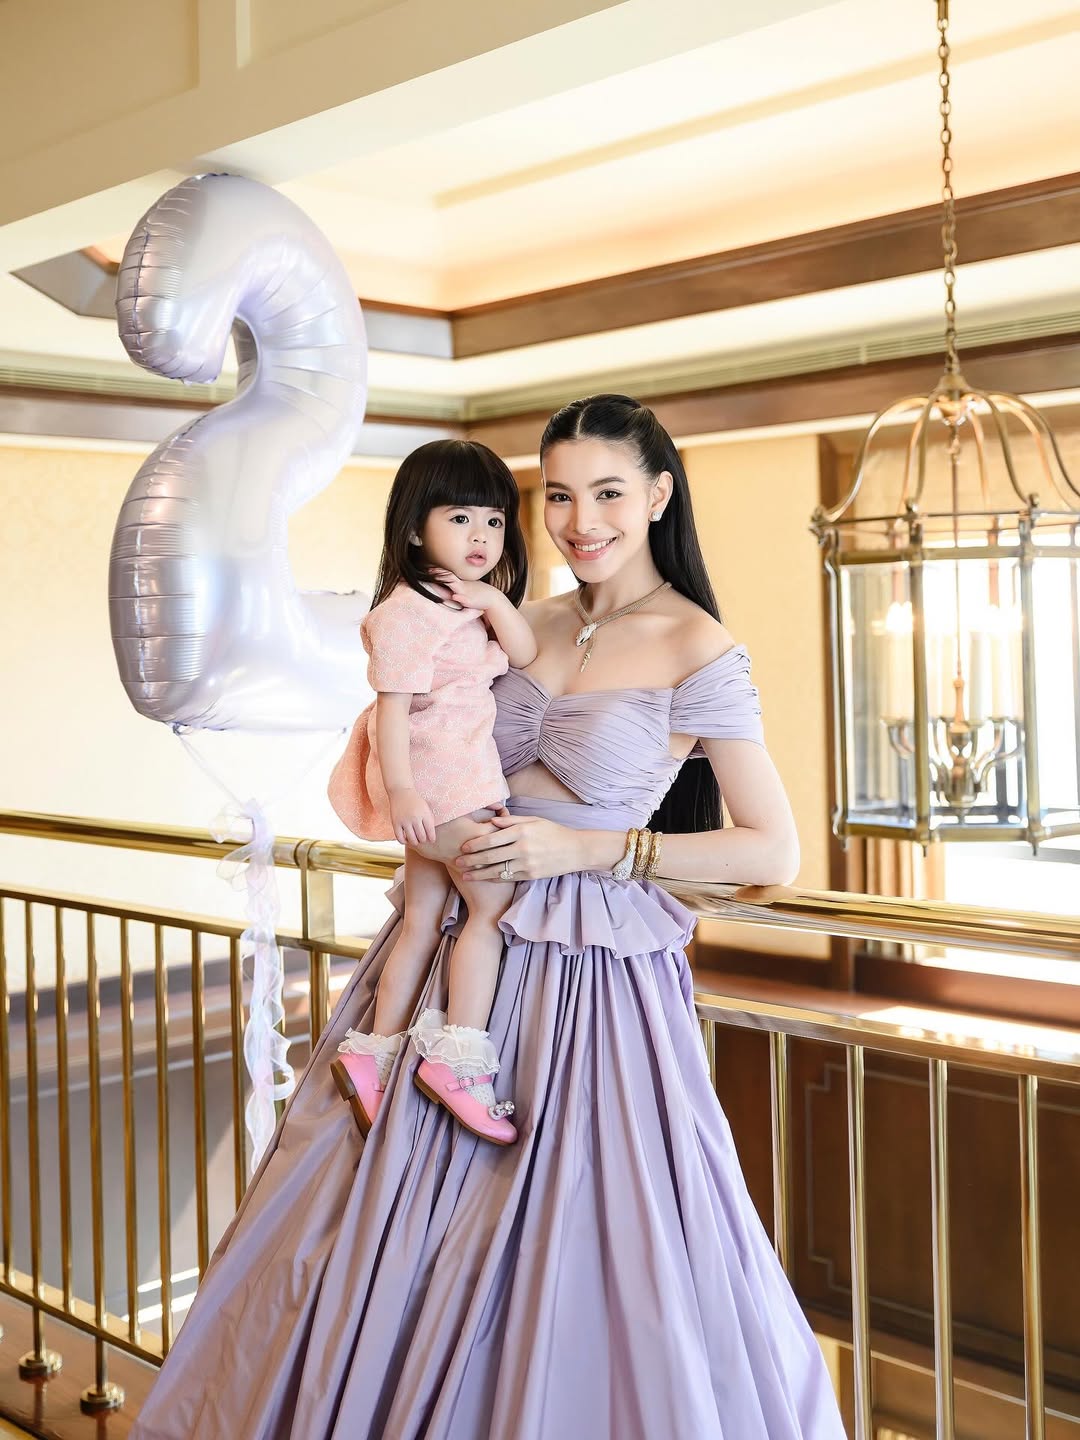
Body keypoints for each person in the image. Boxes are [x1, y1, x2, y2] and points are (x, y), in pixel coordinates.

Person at [130, 395, 847, 1440]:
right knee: (370, 1222)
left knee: (566, 1236)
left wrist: (596, 849)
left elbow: (772, 851)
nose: (581, 521)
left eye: (608, 493)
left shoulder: (695, 643)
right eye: (558, 495)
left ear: (659, 495)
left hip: (586, 982)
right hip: (451, 941)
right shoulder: (515, 616)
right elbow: (422, 725)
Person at [327, 438, 534, 1144]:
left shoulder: (460, 605)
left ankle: (375, 1055)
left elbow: (525, 650)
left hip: (454, 783)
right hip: (440, 786)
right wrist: (404, 794)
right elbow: (390, 712)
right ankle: (459, 1062)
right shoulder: (406, 612)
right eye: (460, 519)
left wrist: (491, 599)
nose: (481, 536)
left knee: (424, 916)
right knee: (492, 905)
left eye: (494, 521)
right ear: (416, 529)